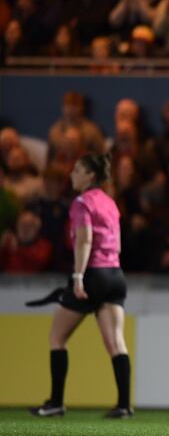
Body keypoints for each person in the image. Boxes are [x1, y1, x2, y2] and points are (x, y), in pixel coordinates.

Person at [30, 153, 133, 418]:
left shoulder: (81, 202)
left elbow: (84, 240)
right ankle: (124, 404)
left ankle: (56, 402)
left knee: (57, 337)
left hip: (93, 274)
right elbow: (117, 243)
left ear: (90, 176)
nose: (71, 175)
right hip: (115, 274)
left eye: (77, 170)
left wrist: (78, 277)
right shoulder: (110, 203)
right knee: (116, 343)